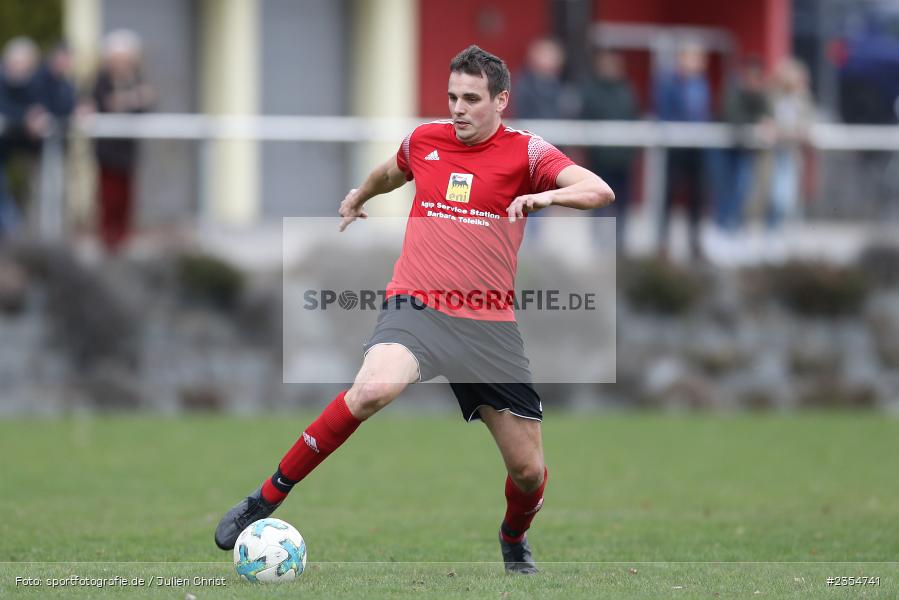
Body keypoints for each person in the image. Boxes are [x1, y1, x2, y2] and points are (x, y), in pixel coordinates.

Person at [214, 45, 614, 574]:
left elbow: (599, 190)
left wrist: (545, 199)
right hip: (417, 306)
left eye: (471, 99)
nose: (458, 108)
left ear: (501, 100)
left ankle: (513, 538)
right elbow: (389, 171)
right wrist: (360, 195)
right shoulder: (425, 141)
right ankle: (266, 497)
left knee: (527, 471)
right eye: (452, 97)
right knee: (372, 389)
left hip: (488, 328)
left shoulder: (529, 153)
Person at [91, 29, 155, 251]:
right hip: (107, 149)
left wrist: (129, 100)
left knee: (127, 196)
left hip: (128, 148)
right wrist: (132, 99)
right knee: (109, 195)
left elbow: (147, 103)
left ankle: (122, 238)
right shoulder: (102, 78)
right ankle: (107, 238)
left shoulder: (135, 77)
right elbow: (107, 104)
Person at [653, 40, 711, 259]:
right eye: (690, 58)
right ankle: (662, 242)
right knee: (668, 196)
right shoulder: (668, 83)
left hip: (696, 149)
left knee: (697, 198)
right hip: (675, 148)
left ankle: (695, 243)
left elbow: (703, 114)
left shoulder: (701, 84)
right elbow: (664, 113)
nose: (694, 63)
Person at [580, 48, 639, 250]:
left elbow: (634, 119)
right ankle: (598, 244)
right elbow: (584, 120)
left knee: (622, 204)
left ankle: (620, 243)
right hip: (599, 159)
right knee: (597, 203)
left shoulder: (627, 90)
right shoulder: (590, 90)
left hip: (623, 159)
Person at [0, 37, 49, 235]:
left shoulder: (39, 82)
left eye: (23, 64)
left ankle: (28, 237)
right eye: (14, 63)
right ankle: (15, 235)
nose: (18, 68)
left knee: (39, 194)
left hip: (32, 148)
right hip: (4, 148)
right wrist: (25, 118)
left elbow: (51, 105)